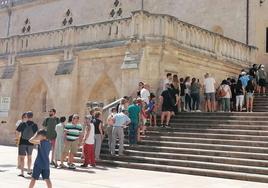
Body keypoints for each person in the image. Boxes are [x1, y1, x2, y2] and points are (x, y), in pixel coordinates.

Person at [16, 111, 38, 177]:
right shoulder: (35, 125)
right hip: (30, 143)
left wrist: (17, 139)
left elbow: (17, 132)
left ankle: (22, 172)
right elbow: (36, 134)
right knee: (29, 157)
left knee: (22, 158)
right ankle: (28, 170)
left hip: (22, 142)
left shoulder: (22, 124)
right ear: (32, 116)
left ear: (26, 116)